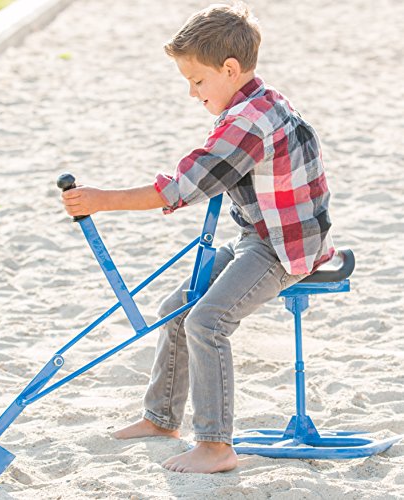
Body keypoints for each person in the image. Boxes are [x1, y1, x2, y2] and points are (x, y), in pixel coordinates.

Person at [62, 2, 334, 474]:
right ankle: (161, 419)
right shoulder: (257, 102)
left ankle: (215, 445)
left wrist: (102, 200)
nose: (192, 93)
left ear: (229, 69)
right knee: (177, 308)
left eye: (197, 81)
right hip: (258, 234)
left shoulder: (249, 121)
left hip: (284, 247)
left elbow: (183, 187)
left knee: (207, 322)